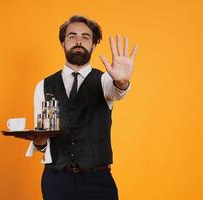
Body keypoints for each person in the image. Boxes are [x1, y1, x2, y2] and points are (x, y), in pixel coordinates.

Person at [25, 15, 138, 200]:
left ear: (93, 45)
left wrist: (122, 81)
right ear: (63, 43)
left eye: (85, 37)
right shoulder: (43, 86)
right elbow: (44, 138)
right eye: (72, 36)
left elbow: (118, 92)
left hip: (97, 181)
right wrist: (40, 143)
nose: (78, 40)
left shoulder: (105, 81)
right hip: (56, 180)